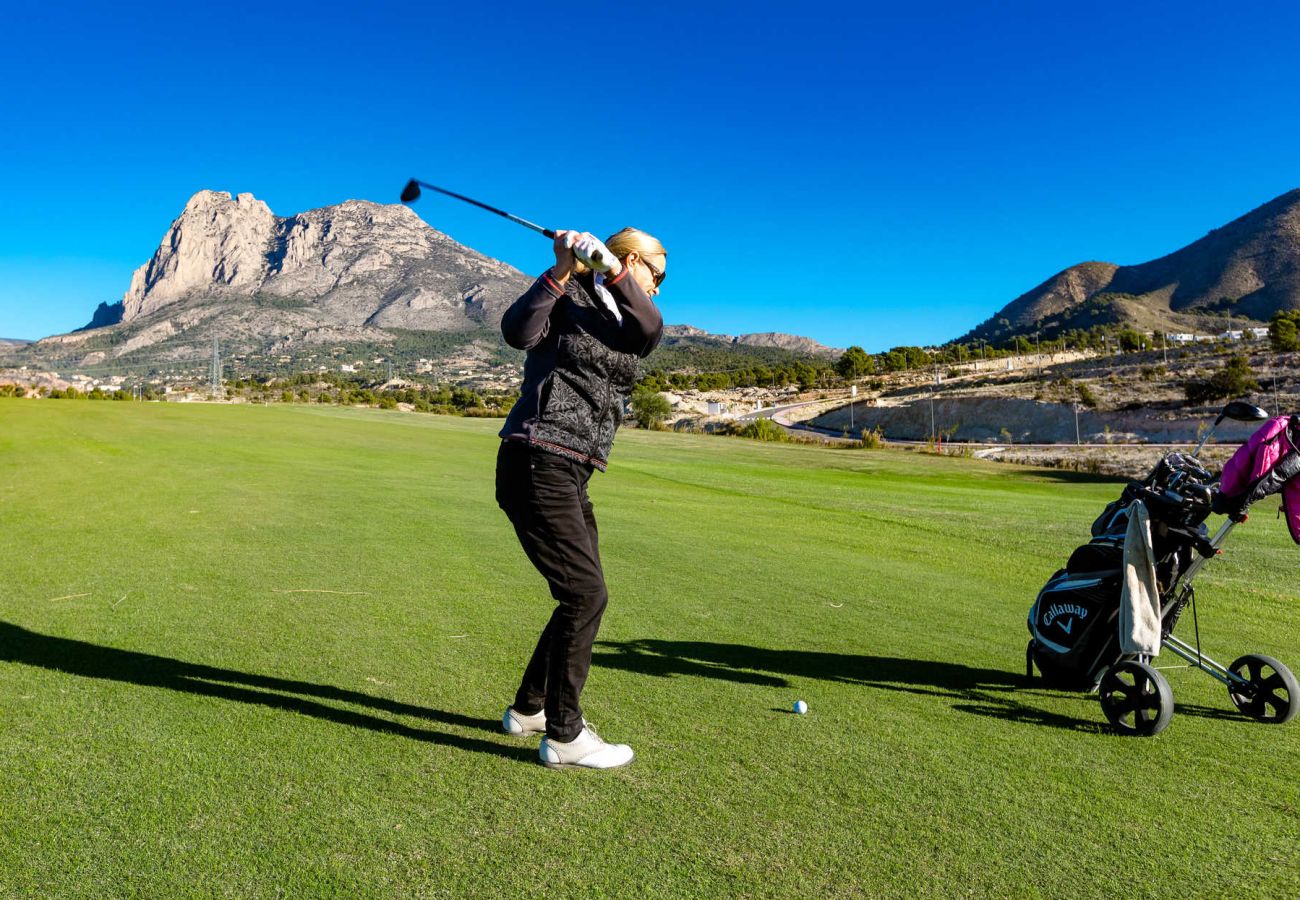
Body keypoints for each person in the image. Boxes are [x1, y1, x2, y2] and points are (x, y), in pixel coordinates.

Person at [495, 226, 666, 769]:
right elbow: (517, 332)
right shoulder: (566, 294)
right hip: (536, 457)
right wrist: (564, 268)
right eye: (655, 276)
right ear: (636, 259)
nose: (657, 288)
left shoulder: (626, 315)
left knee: (582, 594)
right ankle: (566, 736)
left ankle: (530, 709)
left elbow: (649, 329)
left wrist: (611, 273)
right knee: (585, 596)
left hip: (572, 469)